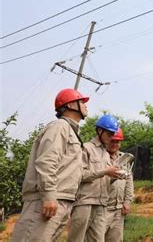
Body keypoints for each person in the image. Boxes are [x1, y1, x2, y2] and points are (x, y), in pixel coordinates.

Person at [11, 88, 89, 242]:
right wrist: (49, 195)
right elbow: (47, 161)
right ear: (71, 105)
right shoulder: (59, 126)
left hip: (62, 201)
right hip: (49, 200)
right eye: (82, 102)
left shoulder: (71, 132)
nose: (86, 106)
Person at [68, 115, 121, 242]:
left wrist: (115, 175)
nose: (111, 137)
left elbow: (104, 178)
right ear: (99, 131)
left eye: (113, 134)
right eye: (109, 133)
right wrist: (104, 171)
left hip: (101, 204)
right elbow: (78, 175)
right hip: (84, 202)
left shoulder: (105, 153)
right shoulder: (86, 148)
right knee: (77, 239)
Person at [104, 128, 134, 242]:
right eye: (113, 141)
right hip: (102, 208)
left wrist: (127, 202)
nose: (115, 144)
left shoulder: (124, 158)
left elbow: (129, 181)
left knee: (115, 239)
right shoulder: (99, 157)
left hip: (118, 209)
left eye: (118, 142)